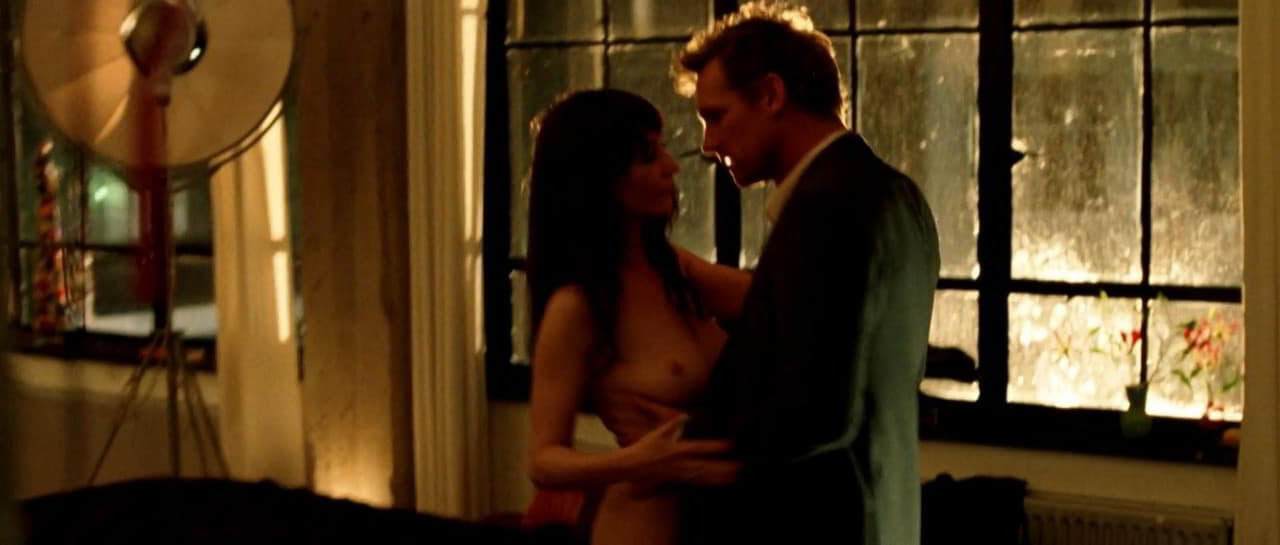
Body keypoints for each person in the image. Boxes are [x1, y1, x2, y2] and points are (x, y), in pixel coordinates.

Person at [669, 3, 941, 544]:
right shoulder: (899, 196)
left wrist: (686, 447)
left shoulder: (824, 207)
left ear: (771, 94)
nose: (708, 144)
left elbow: (814, 412)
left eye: (716, 116)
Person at [523, 89, 751, 545]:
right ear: (600, 179)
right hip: (648, 522)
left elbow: (788, 301)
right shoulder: (578, 305)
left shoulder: (675, 269)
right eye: (649, 155)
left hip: (722, 517)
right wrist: (643, 461)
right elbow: (543, 461)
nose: (671, 166)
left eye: (662, 148)